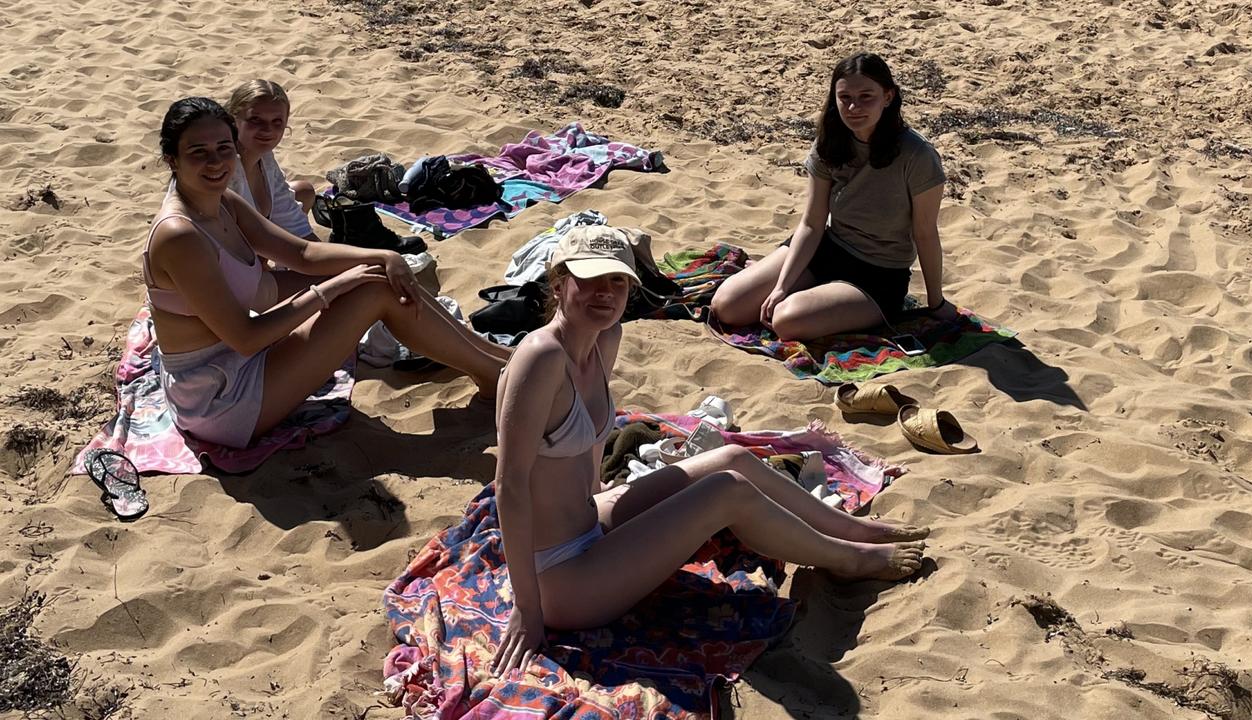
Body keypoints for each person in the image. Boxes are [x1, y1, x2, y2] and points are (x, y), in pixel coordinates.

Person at [490, 226, 929, 676]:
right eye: (590, 279)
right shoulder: (541, 358)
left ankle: (854, 531)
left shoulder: (605, 339)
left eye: (617, 280)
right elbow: (509, 486)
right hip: (559, 576)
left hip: (589, 521)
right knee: (727, 491)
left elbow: (587, 454)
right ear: (560, 283)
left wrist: (624, 511)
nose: (605, 293)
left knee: (733, 458)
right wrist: (526, 609)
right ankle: (849, 560)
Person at [143, 97, 508, 449]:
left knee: (381, 274)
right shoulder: (181, 236)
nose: (216, 162)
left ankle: (495, 360)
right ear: (171, 159)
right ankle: (494, 374)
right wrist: (330, 290)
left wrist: (382, 255)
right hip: (220, 399)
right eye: (198, 152)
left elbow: (302, 253)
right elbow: (246, 337)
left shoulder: (222, 201)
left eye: (224, 148)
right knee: (374, 289)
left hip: (238, 363)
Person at [710, 52, 954, 340]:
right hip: (828, 249)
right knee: (726, 306)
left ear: (888, 97)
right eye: (845, 97)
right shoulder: (830, 143)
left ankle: (819, 300)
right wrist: (781, 286)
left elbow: (925, 233)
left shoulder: (917, 155)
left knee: (786, 321)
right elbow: (812, 223)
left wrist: (936, 302)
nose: (854, 106)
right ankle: (798, 287)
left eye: (866, 96)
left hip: (878, 273)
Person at [224, 80, 319, 242]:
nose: (268, 130)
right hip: (230, 253)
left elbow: (298, 228)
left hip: (258, 244)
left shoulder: (265, 157)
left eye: (277, 122)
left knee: (304, 191)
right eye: (255, 120)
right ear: (234, 121)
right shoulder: (225, 169)